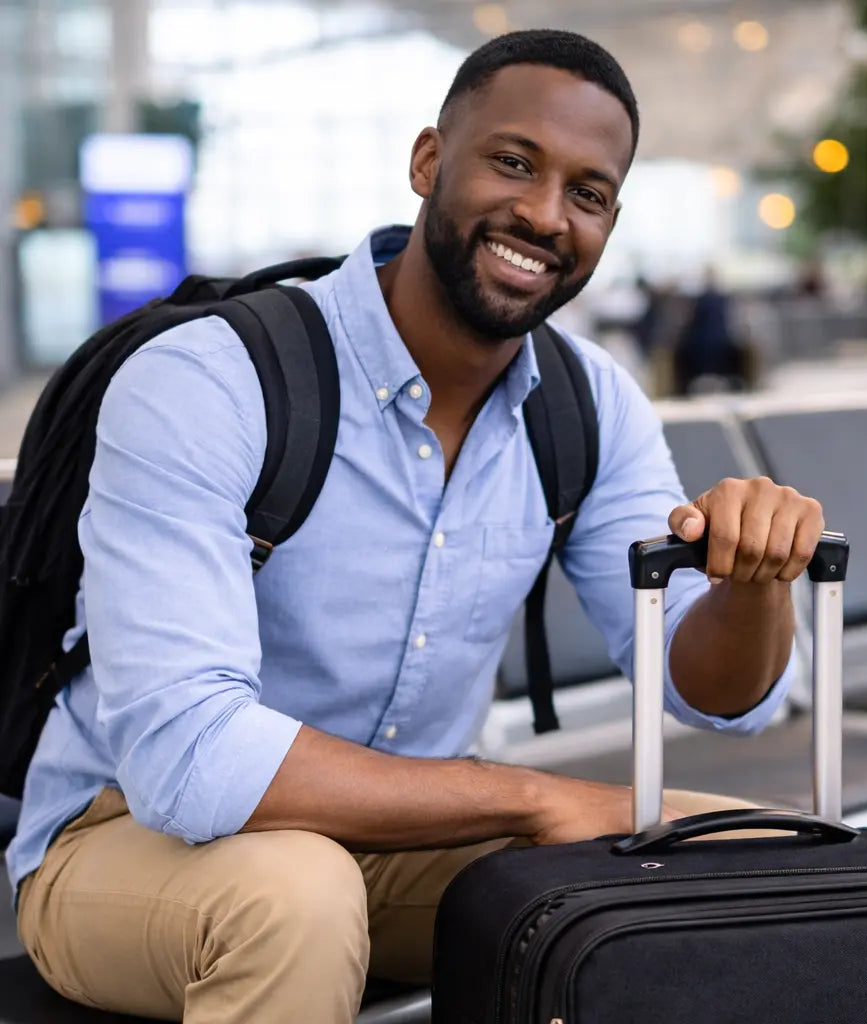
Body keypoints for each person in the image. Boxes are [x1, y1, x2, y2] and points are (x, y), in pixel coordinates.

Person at [7, 29, 823, 1024]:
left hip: (408, 848)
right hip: (132, 840)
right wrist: (526, 797)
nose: (543, 213)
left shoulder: (587, 405)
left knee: (765, 861)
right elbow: (192, 762)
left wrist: (753, 582)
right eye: (512, 162)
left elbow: (722, 699)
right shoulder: (211, 380)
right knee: (293, 893)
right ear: (429, 160)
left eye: (588, 192)